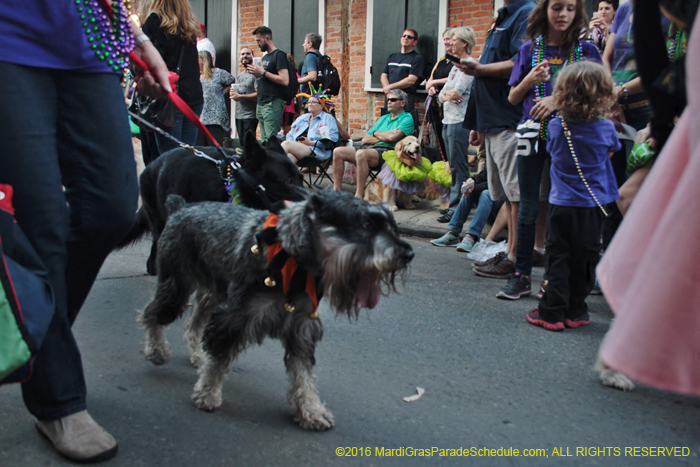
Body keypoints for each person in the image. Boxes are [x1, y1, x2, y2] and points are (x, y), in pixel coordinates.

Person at [0, 0, 171, 462]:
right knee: (42, 222)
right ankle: (58, 399)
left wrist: (140, 40)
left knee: (112, 207)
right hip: (9, 40)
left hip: (90, 44)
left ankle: (33, 335)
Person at [497, 0, 601, 300]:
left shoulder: (587, 52)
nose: (563, 15)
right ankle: (522, 276)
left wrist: (559, 100)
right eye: (557, 7)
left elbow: (600, 97)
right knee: (529, 207)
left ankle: (555, 279)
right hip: (532, 135)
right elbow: (513, 98)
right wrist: (529, 79)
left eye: (570, 8)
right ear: (545, 11)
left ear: (577, 13)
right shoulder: (530, 50)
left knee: (562, 209)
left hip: (571, 138)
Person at [526, 61, 621, 331]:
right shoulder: (606, 128)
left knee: (558, 256)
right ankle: (577, 310)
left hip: (562, 202)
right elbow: (610, 153)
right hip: (595, 204)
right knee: (586, 256)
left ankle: (551, 312)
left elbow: (554, 154)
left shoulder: (556, 126)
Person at [456, 0, 537, 279]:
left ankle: (514, 256)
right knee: (503, 194)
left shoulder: (526, 12)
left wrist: (479, 69)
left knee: (515, 196)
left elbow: (520, 63)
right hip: (492, 121)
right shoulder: (504, 15)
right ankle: (509, 251)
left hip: (509, 118)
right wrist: (477, 121)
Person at [140, 0, 203, 154]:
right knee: (186, 158)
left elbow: (146, 62)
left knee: (169, 160)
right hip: (193, 98)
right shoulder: (189, 25)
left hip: (170, 100)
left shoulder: (155, 22)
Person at [332, 89, 414, 198]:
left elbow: (393, 137)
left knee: (361, 154)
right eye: (388, 99)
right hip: (371, 148)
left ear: (402, 103)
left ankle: (359, 195)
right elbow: (365, 139)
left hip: (389, 152)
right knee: (338, 151)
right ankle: (336, 191)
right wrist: (381, 134)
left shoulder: (407, 118)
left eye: (393, 100)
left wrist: (378, 135)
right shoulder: (384, 118)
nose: (389, 102)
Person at [436, 26, 476, 224]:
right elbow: (445, 92)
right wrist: (445, 96)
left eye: (454, 39)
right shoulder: (455, 66)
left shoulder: (468, 65)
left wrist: (444, 96)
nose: (450, 42)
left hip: (460, 121)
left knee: (460, 166)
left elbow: (456, 92)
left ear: (464, 43)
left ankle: (457, 208)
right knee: (453, 165)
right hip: (448, 119)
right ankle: (456, 204)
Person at [430, 166, 505, 253]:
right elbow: (485, 173)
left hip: (504, 209)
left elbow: (499, 184)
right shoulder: (494, 153)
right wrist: (472, 180)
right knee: (469, 191)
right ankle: (453, 233)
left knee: (486, 193)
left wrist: (475, 187)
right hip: (491, 207)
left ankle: (472, 236)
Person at [247, 26, 290, 142]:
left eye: (259, 41)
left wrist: (263, 72)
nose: (257, 44)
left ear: (267, 38)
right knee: (264, 140)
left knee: (272, 140)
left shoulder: (279, 55)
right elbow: (265, 77)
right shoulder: (265, 57)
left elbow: (285, 80)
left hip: (272, 102)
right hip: (261, 103)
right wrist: (256, 73)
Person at [281, 91, 339, 164]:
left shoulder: (327, 118)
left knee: (286, 144)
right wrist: (295, 143)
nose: (310, 104)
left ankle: (268, 168)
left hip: (315, 150)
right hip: (296, 148)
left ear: (321, 105)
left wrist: (311, 143)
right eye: (309, 102)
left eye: (314, 102)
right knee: (289, 157)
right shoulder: (302, 118)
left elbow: (333, 138)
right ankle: (283, 175)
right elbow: (290, 134)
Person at [424, 28, 455, 162]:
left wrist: (435, 82)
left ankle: (454, 170)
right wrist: (430, 87)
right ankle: (445, 165)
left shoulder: (460, 61)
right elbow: (429, 81)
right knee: (440, 137)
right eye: (444, 39)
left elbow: (454, 78)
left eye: (449, 39)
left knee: (451, 139)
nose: (446, 42)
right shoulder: (442, 60)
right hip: (436, 104)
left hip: (451, 104)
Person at [380, 28, 425, 112]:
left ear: (414, 42)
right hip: (389, 98)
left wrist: (390, 87)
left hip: (405, 100)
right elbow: (384, 75)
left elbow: (411, 80)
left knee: (403, 124)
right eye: (404, 36)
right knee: (388, 124)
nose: (406, 38)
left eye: (409, 37)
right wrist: (388, 91)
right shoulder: (392, 56)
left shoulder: (417, 58)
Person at [196, 50, 234, 146]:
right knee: (200, 148)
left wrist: (223, 92)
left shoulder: (218, 73)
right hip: (200, 116)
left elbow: (233, 81)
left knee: (215, 147)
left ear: (203, 60)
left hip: (215, 117)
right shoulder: (196, 75)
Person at [230, 46, 258, 141]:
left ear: (252, 56)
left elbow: (258, 94)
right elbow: (237, 94)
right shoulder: (239, 76)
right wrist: (233, 94)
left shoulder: (255, 75)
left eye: (247, 54)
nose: (245, 56)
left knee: (248, 144)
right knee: (242, 143)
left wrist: (241, 96)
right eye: (242, 54)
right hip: (238, 115)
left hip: (250, 115)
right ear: (239, 58)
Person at [298, 33, 322, 99]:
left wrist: (297, 81)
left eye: (305, 42)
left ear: (310, 44)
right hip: (320, 98)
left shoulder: (310, 56)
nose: (303, 45)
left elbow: (312, 76)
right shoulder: (320, 57)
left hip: (310, 99)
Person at [281, 53, 300, 135]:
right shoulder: (295, 75)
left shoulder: (290, 75)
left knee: (286, 130)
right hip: (288, 107)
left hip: (287, 107)